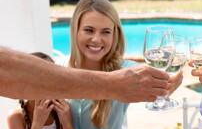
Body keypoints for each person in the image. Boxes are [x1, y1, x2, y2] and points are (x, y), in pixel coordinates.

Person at [56, 0, 183, 129]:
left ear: (115, 34)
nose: (96, 39)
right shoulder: (58, 70)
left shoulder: (124, 72)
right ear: (75, 29)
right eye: (89, 30)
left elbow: (150, 78)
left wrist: (169, 81)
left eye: (105, 32)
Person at [6, 52, 99, 129]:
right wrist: (37, 124)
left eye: (50, 79)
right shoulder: (16, 117)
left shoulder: (61, 108)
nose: (44, 85)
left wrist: (66, 123)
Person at [0, 47, 171, 103]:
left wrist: (169, 80)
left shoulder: (123, 67)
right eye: (88, 30)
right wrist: (113, 85)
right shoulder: (59, 65)